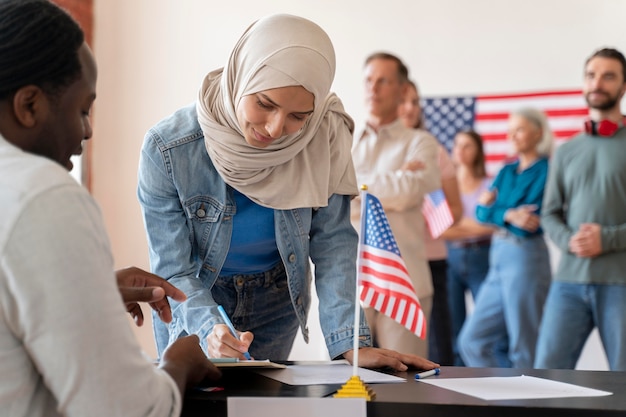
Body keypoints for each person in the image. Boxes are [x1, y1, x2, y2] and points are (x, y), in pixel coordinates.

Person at [137, 14, 437, 372]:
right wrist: (207, 327)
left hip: (275, 300)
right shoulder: (168, 148)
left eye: (299, 116)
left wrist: (350, 343)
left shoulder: (323, 135)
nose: (276, 128)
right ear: (241, 78)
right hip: (195, 298)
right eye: (264, 104)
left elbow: (333, 242)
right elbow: (173, 267)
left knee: (262, 404)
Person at [0, 1, 221, 416]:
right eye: (83, 109)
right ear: (29, 106)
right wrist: (180, 362)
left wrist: (87, 290)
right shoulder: (44, 194)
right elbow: (125, 407)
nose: (87, 130)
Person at [535, 47, 626, 371]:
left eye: (608, 76)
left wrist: (609, 239)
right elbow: (549, 214)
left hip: (621, 283)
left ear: (623, 86)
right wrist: (568, 240)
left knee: (623, 384)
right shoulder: (567, 149)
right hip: (568, 283)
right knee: (546, 374)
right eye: (591, 75)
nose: (597, 82)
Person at [351, 52, 441, 358]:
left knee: (404, 389)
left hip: (405, 284)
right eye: (368, 80)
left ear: (403, 90)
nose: (373, 88)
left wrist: (354, 186)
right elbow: (326, 196)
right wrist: (395, 178)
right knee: (345, 390)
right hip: (351, 284)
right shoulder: (342, 140)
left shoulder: (421, 142)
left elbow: (411, 191)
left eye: (383, 81)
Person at [458, 108, 553, 368]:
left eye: (519, 129)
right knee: (471, 340)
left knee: (524, 346)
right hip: (498, 257)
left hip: (525, 257)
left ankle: (531, 405)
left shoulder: (547, 170)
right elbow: (480, 212)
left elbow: (528, 224)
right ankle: (502, 400)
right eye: (510, 129)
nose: (512, 135)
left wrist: (496, 210)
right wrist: (510, 214)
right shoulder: (507, 170)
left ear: (538, 133)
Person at [397, 79, 462, 365]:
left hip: (430, 260)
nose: (410, 108)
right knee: (385, 351)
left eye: (415, 101)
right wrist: (400, 181)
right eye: (403, 100)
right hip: (387, 262)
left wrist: (425, 189)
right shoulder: (369, 149)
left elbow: (456, 209)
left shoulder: (435, 151)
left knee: (437, 347)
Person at [442, 129, 495, 366]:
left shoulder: (490, 184)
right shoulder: (445, 186)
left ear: (478, 151)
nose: (461, 151)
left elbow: (495, 225)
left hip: (482, 256)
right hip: (450, 257)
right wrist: (477, 225)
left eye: (468, 146)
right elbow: (440, 229)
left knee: (486, 325)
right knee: (453, 327)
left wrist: (458, 224)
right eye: (457, 145)